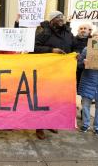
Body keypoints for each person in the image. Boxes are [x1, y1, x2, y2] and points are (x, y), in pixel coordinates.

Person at [34, 11, 75, 140]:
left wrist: (76, 53)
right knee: (43, 100)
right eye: (58, 17)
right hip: (45, 73)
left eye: (62, 17)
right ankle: (39, 127)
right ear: (52, 20)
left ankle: (51, 123)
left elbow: (74, 46)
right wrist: (51, 51)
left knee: (56, 100)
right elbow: (33, 48)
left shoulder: (68, 33)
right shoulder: (44, 32)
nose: (61, 19)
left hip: (62, 73)